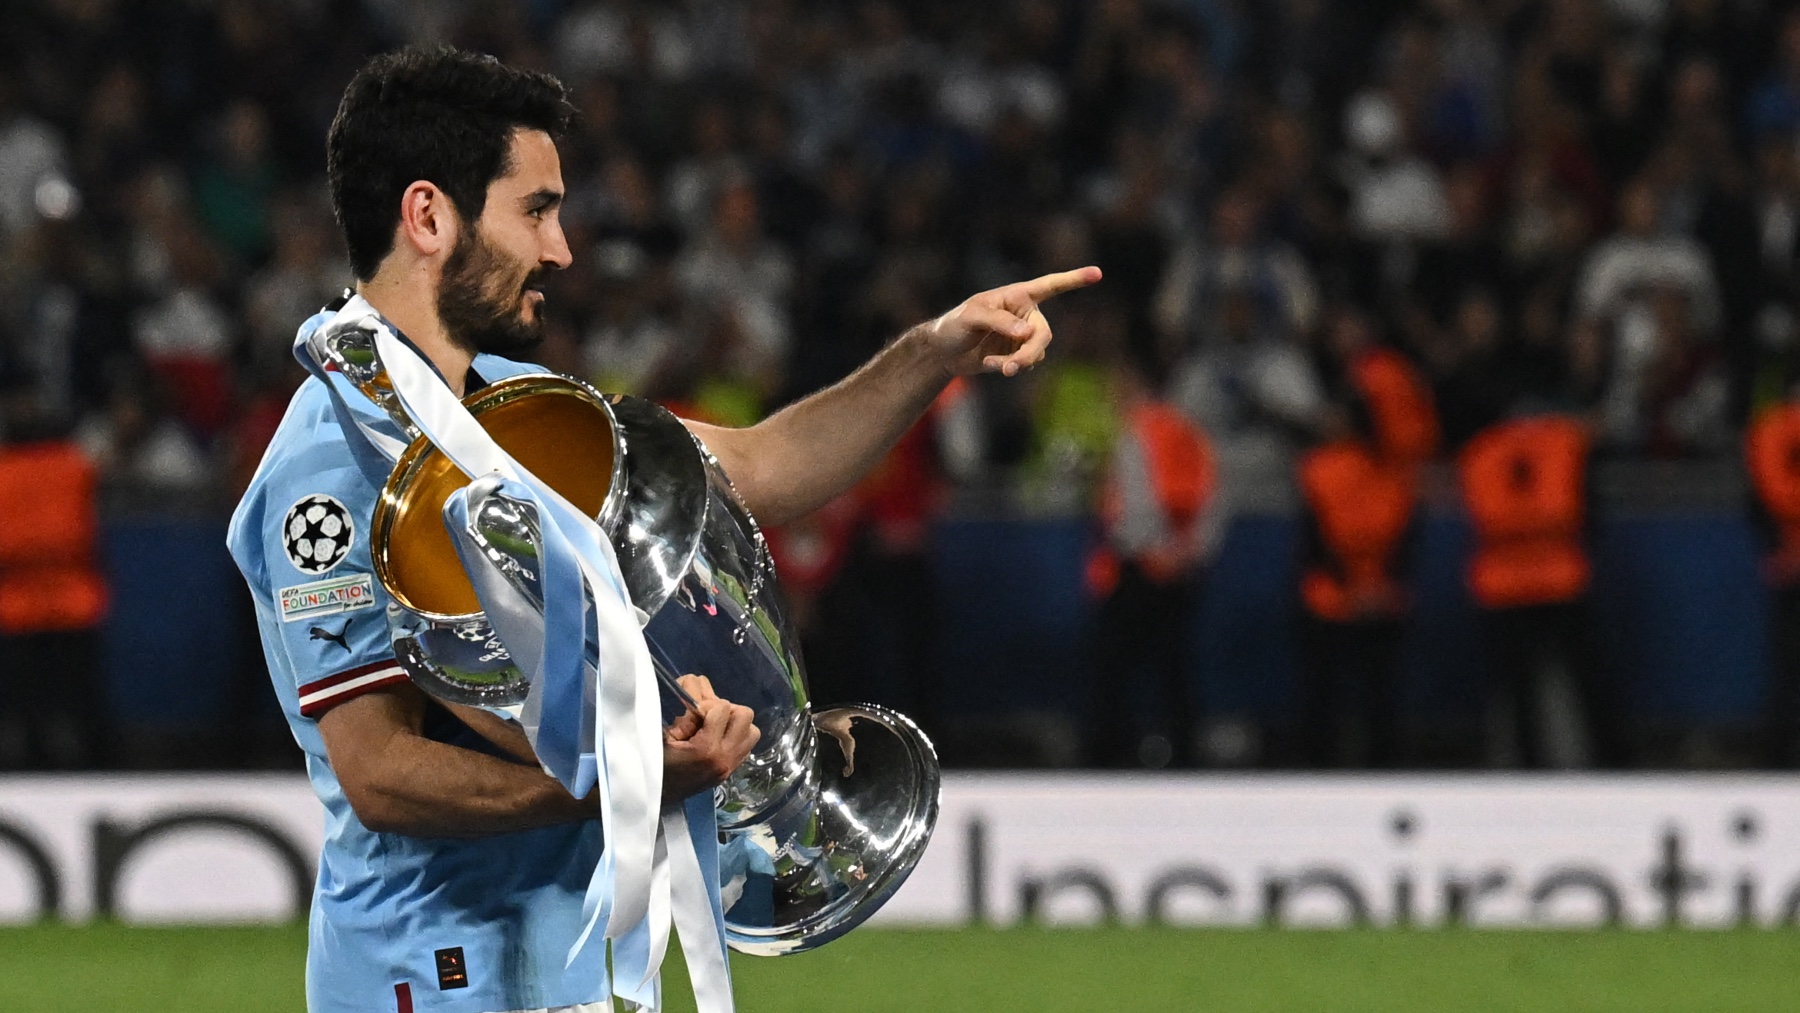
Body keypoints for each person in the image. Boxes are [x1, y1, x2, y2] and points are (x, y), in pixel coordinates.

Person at [225, 47, 1098, 1013]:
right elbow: (381, 772)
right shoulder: (331, 463)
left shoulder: (515, 409)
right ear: (429, 215)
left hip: (566, 960)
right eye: (537, 209)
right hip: (429, 977)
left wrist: (933, 354)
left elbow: (759, 469)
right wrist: (631, 780)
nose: (561, 248)